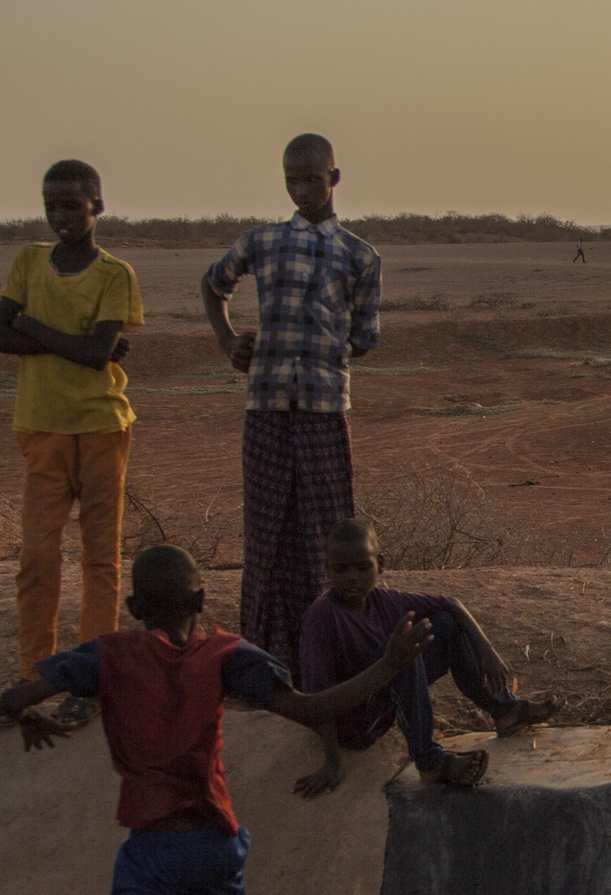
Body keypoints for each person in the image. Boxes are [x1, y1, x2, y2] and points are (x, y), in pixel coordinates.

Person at [0, 545, 432, 895]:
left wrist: (26, 713)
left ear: (133, 606)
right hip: (216, 845)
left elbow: (11, 699)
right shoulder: (227, 655)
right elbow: (312, 709)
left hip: (153, 848)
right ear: (201, 601)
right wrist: (388, 666)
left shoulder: (108, 655)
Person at [201, 134, 381, 682]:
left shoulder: (360, 256)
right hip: (267, 408)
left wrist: (322, 347)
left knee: (327, 533)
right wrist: (229, 341)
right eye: (291, 180)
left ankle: (332, 658)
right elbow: (213, 284)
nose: (301, 190)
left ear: (334, 178)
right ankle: (266, 663)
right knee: (265, 534)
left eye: (311, 179)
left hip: (324, 410)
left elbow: (365, 337)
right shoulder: (262, 242)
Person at [0, 160, 139, 728]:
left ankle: (91, 677)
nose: (60, 216)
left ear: (96, 207)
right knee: (37, 558)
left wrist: (30, 327)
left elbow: (96, 352)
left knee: (100, 558)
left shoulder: (115, 274)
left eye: (71, 206)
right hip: (42, 427)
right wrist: (78, 346)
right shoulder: (28, 262)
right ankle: (35, 674)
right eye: (51, 205)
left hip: (102, 427)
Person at [296, 519, 554, 794]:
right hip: (353, 722)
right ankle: (429, 761)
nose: (352, 577)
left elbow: (451, 603)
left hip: (379, 698)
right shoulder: (322, 617)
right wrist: (333, 763)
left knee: (446, 624)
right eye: (341, 569)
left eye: (362, 567)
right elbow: (318, 700)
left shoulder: (382, 600)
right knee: (402, 651)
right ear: (327, 570)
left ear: (380, 565)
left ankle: (505, 710)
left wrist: (486, 647)